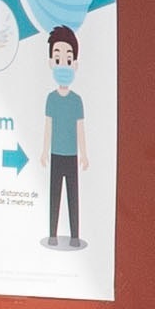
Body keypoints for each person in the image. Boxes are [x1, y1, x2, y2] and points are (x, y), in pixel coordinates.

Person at [39, 23, 87, 247]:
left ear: (75, 64)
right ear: (51, 62)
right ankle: (53, 234)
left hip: (71, 155)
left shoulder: (77, 100)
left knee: (73, 195)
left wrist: (84, 154)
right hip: (56, 154)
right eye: (58, 59)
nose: (63, 64)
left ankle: (75, 236)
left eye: (68, 59)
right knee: (54, 195)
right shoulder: (51, 99)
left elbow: (80, 128)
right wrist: (43, 152)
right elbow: (48, 126)